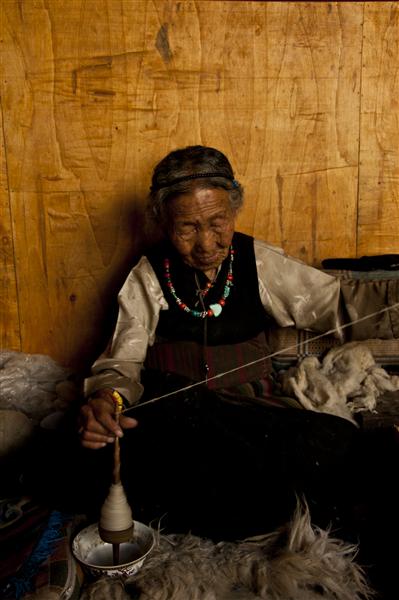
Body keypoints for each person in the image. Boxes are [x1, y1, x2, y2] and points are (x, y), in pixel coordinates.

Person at [75, 146, 398, 587]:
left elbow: (337, 302)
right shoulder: (149, 274)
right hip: (180, 418)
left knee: (338, 443)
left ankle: (235, 511)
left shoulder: (257, 262)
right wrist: (106, 400)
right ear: (162, 222)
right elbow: (122, 361)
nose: (205, 243)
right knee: (111, 447)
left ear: (234, 211)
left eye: (216, 223)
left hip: (249, 415)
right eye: (187, 227)